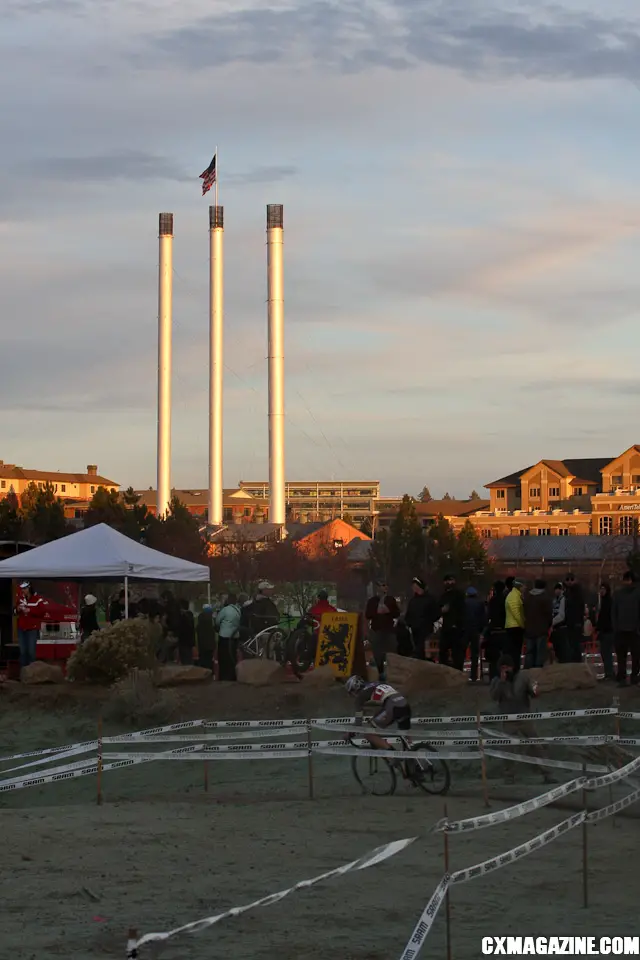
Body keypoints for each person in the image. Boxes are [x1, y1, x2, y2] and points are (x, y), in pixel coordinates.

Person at [489, 654, 554, 785]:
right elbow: (494, 696)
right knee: (508, 749)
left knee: (537, 745)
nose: (506, 670)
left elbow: (534, 691)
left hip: (525, 717)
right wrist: (502, 682)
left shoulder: (523, 677)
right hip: (508, 719)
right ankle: (509, 776)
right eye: (503, 667)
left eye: (508, 667)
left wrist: (535, 689)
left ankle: (547, 773)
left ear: (513, 667)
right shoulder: (496, 680)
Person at [344, 674, 411, 752]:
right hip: (405, 704)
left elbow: (358, 723)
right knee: (406, 734)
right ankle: (412, 754)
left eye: (351, 693)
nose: (352, 696)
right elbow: (384, 702)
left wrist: (349, 734)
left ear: (354, 690)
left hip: (392, 708)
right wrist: (374, 717)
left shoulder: (360, 696)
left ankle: (392, 754)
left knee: (369, 734)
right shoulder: (378, 684)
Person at [364, 581, 400, 680]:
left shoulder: (390, 600)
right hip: (377, 630)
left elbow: (397, 613)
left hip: (389, 630)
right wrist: (377, 611)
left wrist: (389, 611)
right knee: (378, 653)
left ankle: (393, 673)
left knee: (392, 651)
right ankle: (380, 673)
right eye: (383, 585)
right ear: (378, 588)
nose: (386, 587)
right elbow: (367, 615)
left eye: (386, 585)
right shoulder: (372, 601)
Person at [612, 571, 640, 687]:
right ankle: (623, 676)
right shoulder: (618, 594)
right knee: (622, 656)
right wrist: (616, 627)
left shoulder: (638, 593)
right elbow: (614, 611)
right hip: (622, 630)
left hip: (634, 630)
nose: (626, 582)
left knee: (635, 655)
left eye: (628, 580)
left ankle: (633, 676)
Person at [404, 577, 438, 661]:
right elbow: (408, 615)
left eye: (415, 586)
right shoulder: (413, 601)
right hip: (415, 631)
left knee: (428, 654)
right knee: (418, 653)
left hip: (427, 631)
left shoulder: (430, 599)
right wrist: (408, 624)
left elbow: (436, 613)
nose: (414, 588)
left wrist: (429, 621)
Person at [523, 579, 552, 669]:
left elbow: (524, 612)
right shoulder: (545, 598)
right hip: (541, 630)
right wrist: (548, 625)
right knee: (540, 653)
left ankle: (528, 671)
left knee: (530, 652)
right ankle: (537, 673)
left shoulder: (528, 597)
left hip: (529, 630)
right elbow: (549, 614)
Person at [439, 574, 466, 670]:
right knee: (443, 651)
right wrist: (442, 610)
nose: (449, 583)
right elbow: (438, 610)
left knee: (457, 652)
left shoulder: (458, 595)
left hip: (457, 628)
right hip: (447, 627)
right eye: (447, 581)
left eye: (451, 581)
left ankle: (457, 671)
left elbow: (462, 610)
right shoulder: (443, 596)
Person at [16, 581, 45, 669]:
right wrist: (17, 609)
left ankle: (32, 673)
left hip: (32, 628)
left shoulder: (37, 599)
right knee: (23, 652)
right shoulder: (20, 599)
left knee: (31, 651)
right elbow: (14, 611)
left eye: (25, 589)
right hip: (22, 628)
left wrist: (30, 611)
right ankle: (23, 673)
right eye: (22, 589)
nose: (23, 591)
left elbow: (42, 612)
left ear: (29, 588)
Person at [483, 580, 506, 680]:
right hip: (504, 631)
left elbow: (488, 616)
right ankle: (504, 676)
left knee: (493, 658)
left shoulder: (492, 601)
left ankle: (493, 676)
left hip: (493, 631)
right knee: (505, 655)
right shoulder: (505, 600)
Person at [216, 593, 242, 681]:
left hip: (224, 636)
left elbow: (217, 621)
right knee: (232, 657)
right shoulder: (238, 610)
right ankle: (232, 676)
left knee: (223, 657)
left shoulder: (225, 610)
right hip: (235, 636)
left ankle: (224, 676)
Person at [464, 586, 486, 682]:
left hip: (465, 630)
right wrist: (482, 631)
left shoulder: (463, 603)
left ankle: (459, 674)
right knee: (475, 654)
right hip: (475, 630)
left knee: (461, 652)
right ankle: (474, 676)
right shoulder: (480, 603)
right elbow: (483, 619)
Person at [505, 579, 526, 672]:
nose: (525, 588)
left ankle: (514, 670)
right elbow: (516, 613)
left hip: (513, 627)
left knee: (515, 651)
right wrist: (523, 625)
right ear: (519, 586)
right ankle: (514, 671)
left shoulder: (515, 595)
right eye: (524, 586)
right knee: (515, 652)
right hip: (515, 627)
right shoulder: (514, 596)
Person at [563, 573, 585, 663]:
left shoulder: (578, 592)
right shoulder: (565, 592)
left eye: (571, 579)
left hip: (576, 621)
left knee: (575, 643)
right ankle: (572, 660)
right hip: (567, 621)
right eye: (567, 579)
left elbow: (580, 607)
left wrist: (579, 622)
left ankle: (577, 660)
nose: (569, 581)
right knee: (570, 643)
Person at [596, 583, 614, 681]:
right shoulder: (603, 602)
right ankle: (608, 672)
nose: (601, 591)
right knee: (605, 653)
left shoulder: (608, 602)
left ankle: (609, 673)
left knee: (606, 652)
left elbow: (606, 618)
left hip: (608, 631)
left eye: (603, 589)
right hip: (604, 631)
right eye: (600, 589)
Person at [550, 582, 568, 663]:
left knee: (561, 649)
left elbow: (561, 615)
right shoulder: (555, 600)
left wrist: (551, 622)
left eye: (559, 589)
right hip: (555, 628)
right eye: (556, 589)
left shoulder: (563, 599)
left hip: (561, 627)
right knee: (556, 648)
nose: (557, 591)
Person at [197, 603, 216, 672]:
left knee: (203, 660)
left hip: (202, 645)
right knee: (209, 660)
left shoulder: (200, 618)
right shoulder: (211, 619)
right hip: (210, 645)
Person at [177, 598, 195, 665]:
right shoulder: (190, 615)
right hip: (189, 642)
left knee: (185, 660)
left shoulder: (183, 617)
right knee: (189, 659)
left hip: (183, 642)